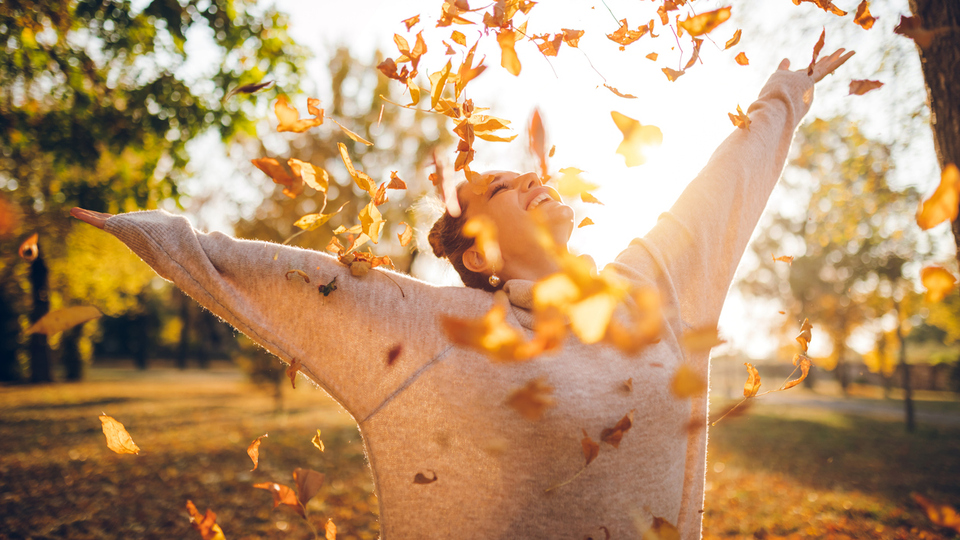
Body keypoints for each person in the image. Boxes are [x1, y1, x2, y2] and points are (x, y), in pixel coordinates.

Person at [72, 50, 853, 539]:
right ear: (476, 247)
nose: (535, 178)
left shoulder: (655, 286)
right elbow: (271, 274)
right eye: (509, 185)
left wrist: (787, 92)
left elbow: (723, 188)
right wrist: (135, 230)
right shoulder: (439, 329)